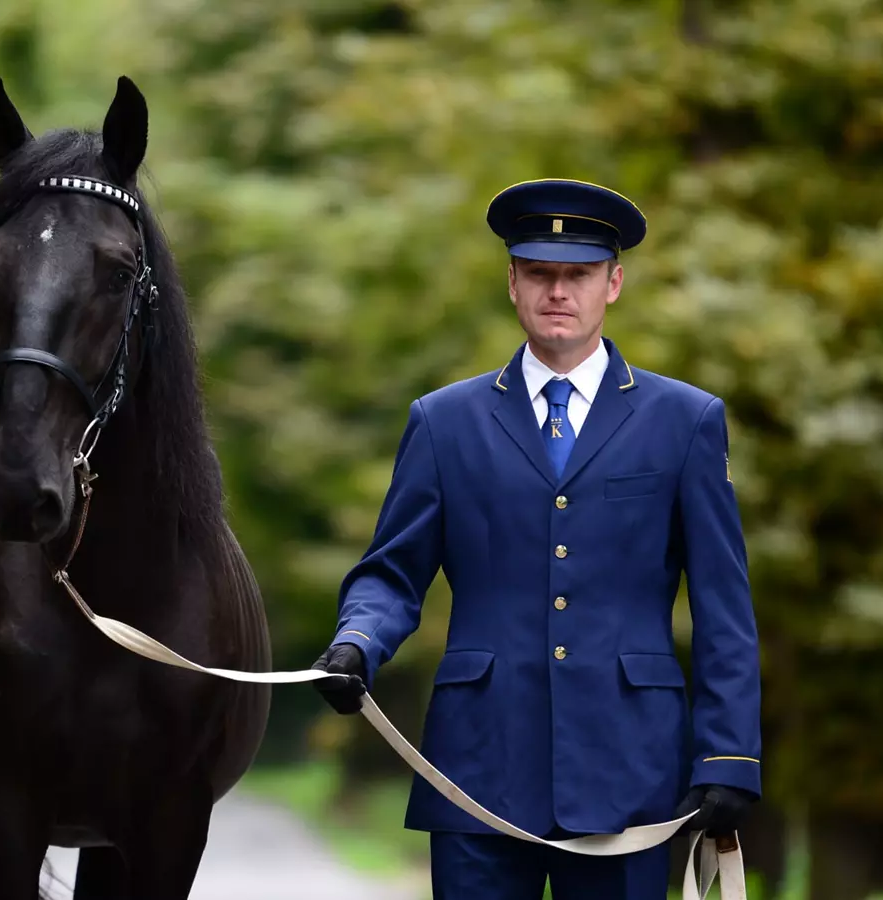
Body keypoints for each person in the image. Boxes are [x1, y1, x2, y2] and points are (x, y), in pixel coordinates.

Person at [310, 179, 762, 899]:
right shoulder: (442, 422)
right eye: (541, 273)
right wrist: (357, 641)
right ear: (512, 281)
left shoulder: (687, 421)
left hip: (629, 771)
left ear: (613, 284)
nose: (560, 292)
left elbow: (723, 608)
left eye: (578, 274)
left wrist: (728, 757)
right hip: (477, 770)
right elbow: (392, 574)